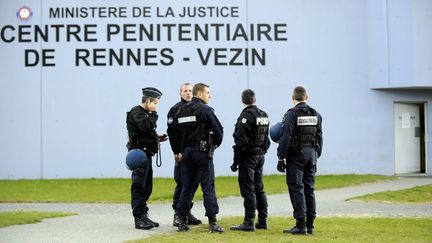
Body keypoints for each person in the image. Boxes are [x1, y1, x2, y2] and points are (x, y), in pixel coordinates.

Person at [176, 83, 224, 233]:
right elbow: (219, 132)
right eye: (208, 93)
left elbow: (176, 134)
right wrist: (212, 145)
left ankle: (182, 221)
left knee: (187, 188)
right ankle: (213, 223)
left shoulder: (181, 110)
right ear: (200, 94)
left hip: (187, 154)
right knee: (208, 187)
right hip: (202, 153)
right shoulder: (205, 110)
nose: (210, 96)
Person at [276, 86, 323, 235]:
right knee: (309, 189)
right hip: (311, 155)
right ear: (306, 97)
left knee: (296, 188)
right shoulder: (316, 114)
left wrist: (280, 157)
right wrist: (316, 154)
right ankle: (310, 225)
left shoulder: (292, 114)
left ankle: (300, 225)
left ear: (293, 98)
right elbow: (320, 136)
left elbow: (286, 137)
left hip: (296, 156)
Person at [126, 87, 167, 230]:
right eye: (155, 103)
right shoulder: (137, 113)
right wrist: (154, 112)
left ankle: (143, 215)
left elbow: (145, 132)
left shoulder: (144, 113)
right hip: (138, 156)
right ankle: (138, 218)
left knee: (147, 187)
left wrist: (156, 139)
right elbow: (147, 126)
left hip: (146, 154)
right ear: (149, 101)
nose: (156, 106)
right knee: (138, 186)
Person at [230, 89, 270, 232]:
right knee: (259, 188)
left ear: (242, 100)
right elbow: (267, 139)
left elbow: (241, 142)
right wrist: (262, 152)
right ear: (255, 99)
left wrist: (236, 161)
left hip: (248, 158)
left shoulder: (246, 116)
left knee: (248, 190)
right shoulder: (264, 115)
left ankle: (248, 222)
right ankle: (263, 221)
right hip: (260, 156)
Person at [166, 83, 202, 227]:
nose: (188, 93)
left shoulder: (198, 109)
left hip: (195, 153)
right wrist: (176, 151)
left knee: (194, 183)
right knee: (182, 183)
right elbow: (172, 133)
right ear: (180, 93)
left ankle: (186, 211)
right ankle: (178, 214)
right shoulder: (175, 110)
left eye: (190, 91)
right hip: (182, 154)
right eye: (185, 91)